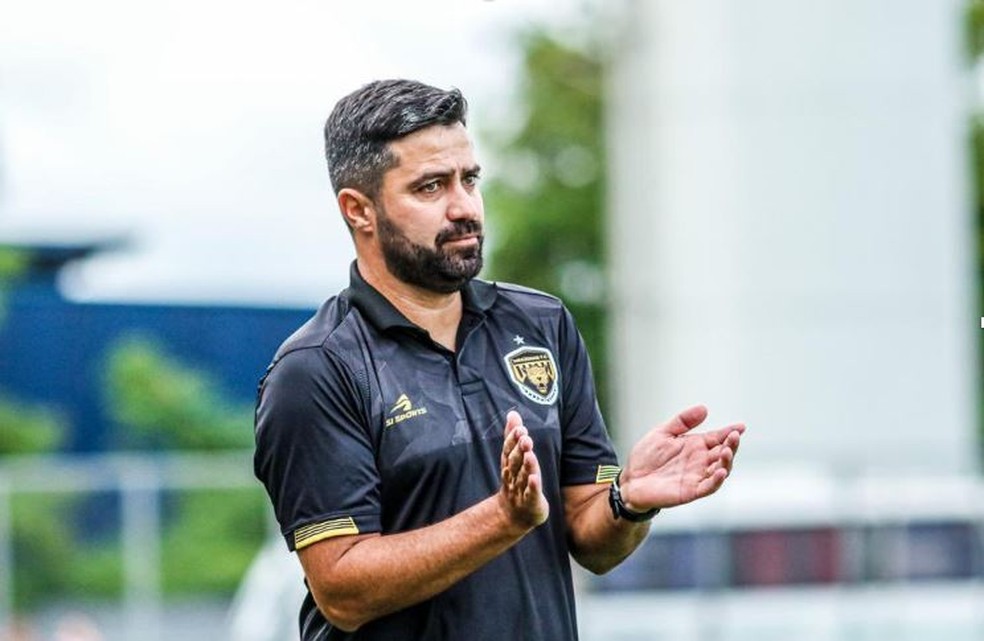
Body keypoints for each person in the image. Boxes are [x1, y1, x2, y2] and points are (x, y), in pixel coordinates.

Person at [253, 79, 745, 641]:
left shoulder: (541, 324)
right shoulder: (317, 369)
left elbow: (591, 539)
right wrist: (503, 519)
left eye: (469, 179)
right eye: (431, 187)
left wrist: (628, 501)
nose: (463, 207)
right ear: (359, 210)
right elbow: (343, 590)